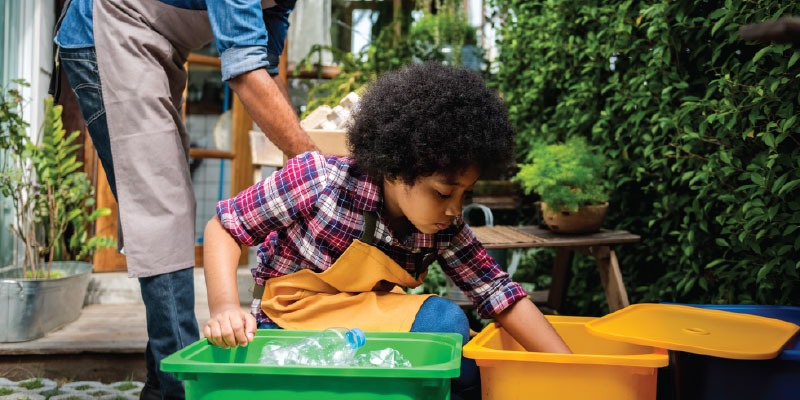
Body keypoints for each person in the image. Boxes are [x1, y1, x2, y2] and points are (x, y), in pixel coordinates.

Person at [203, 62, 571, 400]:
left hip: (361, 331)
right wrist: (225, 309)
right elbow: (225, 228)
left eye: (465, 194)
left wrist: (573, 369)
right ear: (396, 170)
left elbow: (496, 291)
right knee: (444, 322)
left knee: (469, 362)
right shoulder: (318, 180)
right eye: (443, 192)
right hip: (288, 327)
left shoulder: (444, 227)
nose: (455, 209)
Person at [50, 0, 318, 399]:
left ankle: (161, 388)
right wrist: (316, 167)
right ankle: (183, 391)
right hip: (106, 30)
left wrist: (304, 159)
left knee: (168, 199)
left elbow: (265, 69)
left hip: (156, 46)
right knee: (162, 205)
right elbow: (245, 72)